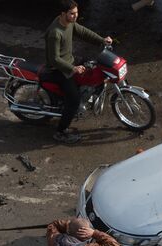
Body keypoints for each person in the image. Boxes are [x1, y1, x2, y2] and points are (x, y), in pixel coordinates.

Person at [44, 0, 112, 144]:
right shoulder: (55, 33)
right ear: (63, 14)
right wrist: (73, 68)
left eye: (76, 13)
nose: (75, 16)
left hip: (69, 62)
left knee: (91, 66)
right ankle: (60, 132)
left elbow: (83, 32)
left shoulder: (68, 23)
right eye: (72, 13)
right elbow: (54, 59)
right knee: (73, 100)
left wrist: (102, 40)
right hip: (58, 70)